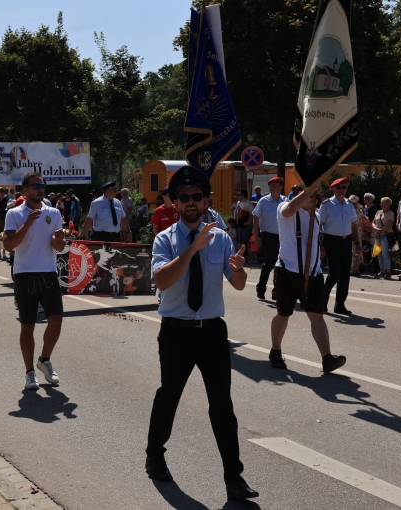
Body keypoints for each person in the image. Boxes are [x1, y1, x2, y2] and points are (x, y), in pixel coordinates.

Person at [145, 166, 258, 501]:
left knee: (222, 405)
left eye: (197, 196)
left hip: (212, 332)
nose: (191, 202)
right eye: (184, 198)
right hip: (176, 332)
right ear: (176, 203)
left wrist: (239, 271)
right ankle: (154, 455)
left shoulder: (221, 239)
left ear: (206, 201)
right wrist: (192, 248)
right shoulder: (165, 239)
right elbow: (162, 280)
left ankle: (234, 478)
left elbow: (238, 284)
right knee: (169, 396)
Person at [268, 186, 347, 373]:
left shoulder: (316, 215)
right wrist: (309, 190)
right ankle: (275, 350)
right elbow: (289, 210)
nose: (312, 198)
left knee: (317, 315)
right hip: (288, 271)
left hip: (313, 273)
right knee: (284, 313)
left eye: (314, 196)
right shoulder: (284, 208)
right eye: (308, 195)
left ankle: (327, 358)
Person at [2, 172, 66, 391]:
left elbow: (59, 247)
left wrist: (59, 240)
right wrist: (27, 224)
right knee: (27, 326)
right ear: (26, 190)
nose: (41, 189)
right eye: (36, 186)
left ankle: (44, 360)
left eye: (43, 186)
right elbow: (8, 244)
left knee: (56, 321)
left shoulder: (54, 212)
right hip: (24, 275)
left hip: (48, 273)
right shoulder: (14, 214)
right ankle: (29, 372)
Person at [319, 177, 359, 314]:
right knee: (335, 273)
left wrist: (357, 243)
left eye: (344, 187)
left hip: (346, 241)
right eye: (338, 188)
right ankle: (322, 302)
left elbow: (353, 225)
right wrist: (320, 245)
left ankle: (340, 305)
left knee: (345, 275)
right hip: (331, 241)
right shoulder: (326, 205)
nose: (341, 190)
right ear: (333, 189)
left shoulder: (349, 204)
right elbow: (319, 225)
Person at [252, 177, 286, 300]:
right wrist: (256, 236)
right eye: (271, 186)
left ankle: (276, 290)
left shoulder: (285, 201)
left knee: (282, 264)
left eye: (275, 186)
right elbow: (255, 218)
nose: (272, 188)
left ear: (280, 187)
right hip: (268, 235)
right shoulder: (263, 201)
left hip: (282, 236)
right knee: (270, 262)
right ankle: (261, 288)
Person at [372, 197, 395, 278]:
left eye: (384, 204)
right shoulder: (378, 212)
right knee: (379, 253)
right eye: (381, 203)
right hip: (377, 235)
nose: (382, 205)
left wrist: (379, 232)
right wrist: (376, 229)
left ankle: (388, 271)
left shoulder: (390, 213)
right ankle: (382, 270)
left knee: (385, 253)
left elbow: (388, 226)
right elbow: (373, 222)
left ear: (388, 205)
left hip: (385, 235)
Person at [349, 196, 365, 275]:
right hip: (357, 230)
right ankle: (356, 268)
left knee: (353, 249)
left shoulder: (354, 210)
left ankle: (353, 268)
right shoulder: (360, 210)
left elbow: (355, 222)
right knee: (357, 248)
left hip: (353, 230)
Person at [234, 190, 254, 256]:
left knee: (248, 242)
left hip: (246, 227)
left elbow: (253, 214)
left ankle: (250, 256)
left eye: (239, 195)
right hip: (239, 225)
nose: (238, 196)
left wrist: (248, 222)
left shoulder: (249, 203)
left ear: (242, 195)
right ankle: (242, 255)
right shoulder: (239, 203)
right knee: (241, 241)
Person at [0, 187, 10, 260]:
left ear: (3, 193)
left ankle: (4, 252)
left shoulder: (8, 200)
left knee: (3, 236)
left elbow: (9, 210)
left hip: (4, 220)